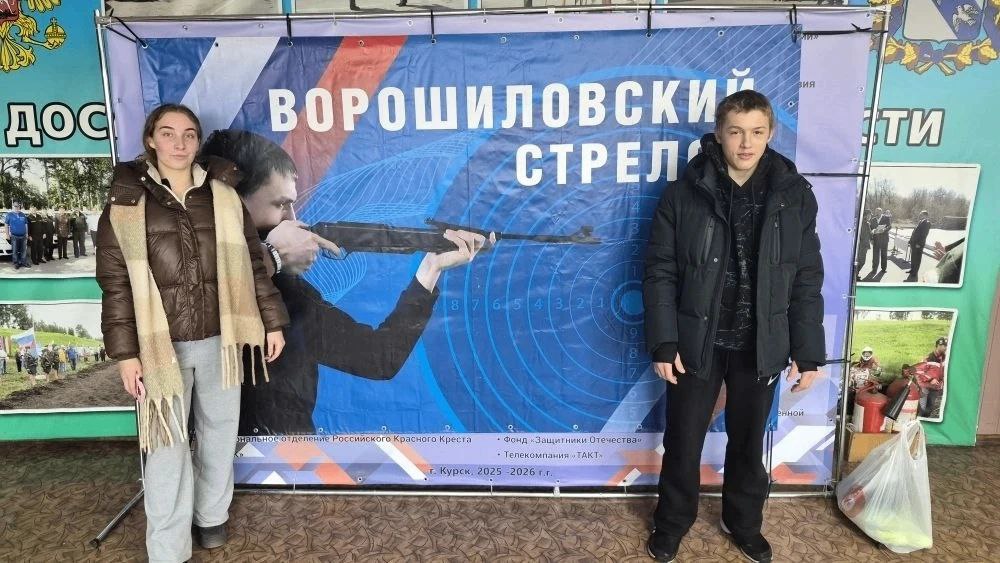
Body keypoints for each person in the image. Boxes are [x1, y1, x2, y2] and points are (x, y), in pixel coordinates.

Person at [199, 129, 491, 435]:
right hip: (234, 453)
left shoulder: (287, 292)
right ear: (232, 202)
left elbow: (378, 358)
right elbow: (204, 293)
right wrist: (273, 255)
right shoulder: (190, 270)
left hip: (283, 454)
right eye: (280, 204)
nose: (293, 219)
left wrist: (430, 268)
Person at [96, 103, 289, 563]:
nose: (179, 143)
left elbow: (253, 264)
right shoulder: (126, 203)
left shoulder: (223, 195)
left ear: (198, 141)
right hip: (159, 349)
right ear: (150, 139)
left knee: (220, 434)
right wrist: (126, 354)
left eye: (188, 134)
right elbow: (116, 284)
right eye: (168, 133)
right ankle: (168, 548)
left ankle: (211, 517)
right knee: (167, 449)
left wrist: (272, 321)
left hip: (223, 341)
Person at [642, 90, 825, 563]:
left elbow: (806, 276)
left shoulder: (795, 195)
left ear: (770, 133)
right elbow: (660, 271)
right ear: (719, 134)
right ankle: (671, 523)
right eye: (736, 132)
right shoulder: (683, 193)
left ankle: (743, 524)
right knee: (683, 440)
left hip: (760, 343)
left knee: (748, 442)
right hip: (695, 342)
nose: (746, 143)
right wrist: (664, 342)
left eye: (757, 132)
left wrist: (808, 351)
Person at [906, 210, 930, 282]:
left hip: (918, 245)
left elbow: (924, 234)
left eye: (921, 214)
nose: (920, 215)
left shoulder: (927, 223)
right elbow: (914, 232)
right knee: (913, 258)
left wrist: (919, 244)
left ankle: (915, 272)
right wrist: (910, 241)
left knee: (917, 259)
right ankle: (912, 270)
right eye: (920, 214)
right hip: (914, 243)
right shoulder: (920, 221)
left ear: (925, 215)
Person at [5, 202, 31, 269]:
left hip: (23, 236)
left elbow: (26, 224)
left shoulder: (22, 214)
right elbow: (6, 225)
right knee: (15, 250)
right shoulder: (9, 215)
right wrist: (7, 234)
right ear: (13, 207)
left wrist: (27, 233)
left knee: (23, 250)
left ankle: (23, 262)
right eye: (15, 206)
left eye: (18, 206)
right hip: (14, 236)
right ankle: (16, 263)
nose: (17, 207)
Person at [871, 207, 891, 273]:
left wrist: (884, 229)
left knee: (884, 255)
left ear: (881, 212)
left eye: (878, 212)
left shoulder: (886, 218)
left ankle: (883, 269)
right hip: (876, 240)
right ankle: (874, 269)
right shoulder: (873, 219)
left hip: (884, 240)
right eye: (876, 212)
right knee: (875, 256)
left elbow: (889, 226)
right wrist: (871, 239)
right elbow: (871, 229)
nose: (876, 213)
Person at [855, 209, 872, 281]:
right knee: (861, 261)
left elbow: (868, 234)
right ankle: (855, 275)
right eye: (869, 215)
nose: (870, 216)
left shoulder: (865, 223)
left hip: (862, 245)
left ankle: (856, 274)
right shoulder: (865, 223)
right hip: (862, 246)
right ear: (866, 215)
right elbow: (863, 235)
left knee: (860, 261)